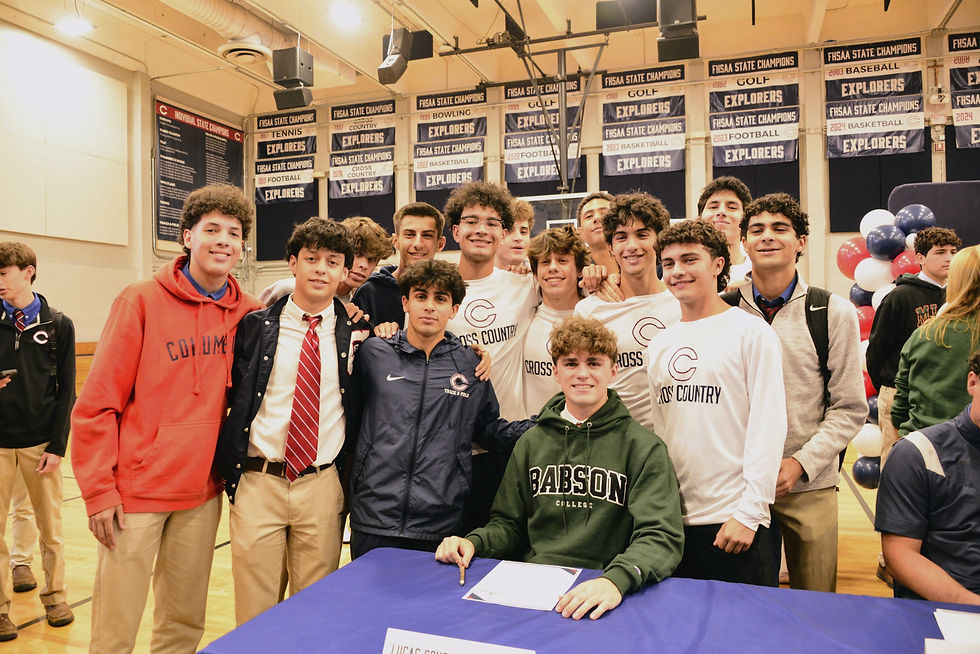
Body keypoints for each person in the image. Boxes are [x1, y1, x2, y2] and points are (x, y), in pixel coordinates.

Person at [71, 184, 263, 653]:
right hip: (135, 493)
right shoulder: (139, 300)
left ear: (242, 247)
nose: (223, 240)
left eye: (233, 233)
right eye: (211, 229)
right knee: (116, 629)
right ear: (186, 237)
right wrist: (98, 490)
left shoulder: (250, 313)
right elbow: (97, 404)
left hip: (201, 494)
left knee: (182, 623)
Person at [435, 317, 684, 621]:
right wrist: (473, 542)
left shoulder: (643, 447)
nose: (582, 374)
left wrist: (615, 580)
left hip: (604, 587)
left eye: (594, 363)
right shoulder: (532, 442)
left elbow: (660, 536)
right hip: (535, 585)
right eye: (570, 363)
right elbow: (509, 524)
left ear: (613, 371)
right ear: (555, 371)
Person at [216, 217, 372, 625]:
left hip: (321, 485)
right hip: (258, 481)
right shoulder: (254, 326)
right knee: (255, 610)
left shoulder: (359, 334)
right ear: (293, 263)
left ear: (343, 272)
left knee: (314, 611)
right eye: (312, 258)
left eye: (332, 261)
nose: (321, 268)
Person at [347, 259, 532, 558]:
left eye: (440, 299)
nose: (429, 306)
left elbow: (488, 430)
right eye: (421, 296)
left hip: (441, 520)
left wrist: (544, 424)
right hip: (374, 516)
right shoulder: (374, 352)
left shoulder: (470, 364)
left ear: (454, 309)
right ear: (405, 302)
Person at [730, 193, 867, 592]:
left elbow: (849, 407)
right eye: (756, 229)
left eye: (780, 229)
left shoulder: (831, 312)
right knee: (748, 599)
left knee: (815, 602)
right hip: (739, 485)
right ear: (744, 242)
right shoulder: (723, 309)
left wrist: (800, 464)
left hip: (810, 485)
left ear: (801, 241)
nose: (767, 237)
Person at [647, 220, 786, 587]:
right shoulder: (660, 344)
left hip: (734, 522)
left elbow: (768, 426)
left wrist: (750, 511)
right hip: (673, 523)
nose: (677, 271)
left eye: (689, 260)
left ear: (717, 265)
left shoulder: (752, 332)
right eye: (669, 263)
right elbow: (662, 432)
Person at [0, 241, 76, 640]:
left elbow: (67, 392)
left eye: (3, 273)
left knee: (51, 529)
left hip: (39, 444)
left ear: (28, 271)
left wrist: (57, 445)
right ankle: (0, 610)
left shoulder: (58, 324)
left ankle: (55, 596)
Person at [874, 351, 980, 604]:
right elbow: (900, 555)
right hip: (944, 613)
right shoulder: (917, 454)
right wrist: (973, 606)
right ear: (972, 382)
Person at [574, 192, 681, 432]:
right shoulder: (589, 310)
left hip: (677, 445)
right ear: (611, 247)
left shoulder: (683, 302)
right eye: (621, 237)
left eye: (642, 235)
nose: (632, 246)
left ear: (659, 240)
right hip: (613, 444)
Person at [866, 226, 960, 466]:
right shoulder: (899, 297)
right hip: (900, 393)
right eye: (940, 252)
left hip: (945, 393)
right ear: (920, 258)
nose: (949, 258)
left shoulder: (960, 296)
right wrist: (890, 388)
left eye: (952, 251)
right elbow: (876, 352)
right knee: (897, 462)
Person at [445, 181, 538, 421]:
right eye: (472, 221)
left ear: (503, 234)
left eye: (492, 223)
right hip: (452, 435)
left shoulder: (526, 287)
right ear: (456, 231)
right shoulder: (435, 292)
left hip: (509, 435)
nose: (481, 230)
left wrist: (599, 277)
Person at [892, 245, 980, 438]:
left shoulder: (924, 333)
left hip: (923, 443)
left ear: (955, 280)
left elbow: (900, 407)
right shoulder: (925, 330)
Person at [523, 227, 588, 416]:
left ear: (579, 271)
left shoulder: (595, 315)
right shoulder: (524, 317)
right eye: (545, 262)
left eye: (562, 260)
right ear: (535, 273)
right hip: (536, 435)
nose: (552, 267)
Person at [352, 202, 446, 327]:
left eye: (427, 235)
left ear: (440, 244)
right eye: (410, 234)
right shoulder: (370, 292)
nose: (418, 244)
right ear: (395, 241)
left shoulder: (447, 291)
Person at [697, 176, 752, 289]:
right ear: (699, 218)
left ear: (747, 221)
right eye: (713, 207)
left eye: (732, 207)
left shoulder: (757, 272)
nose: (721, 212)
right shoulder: (681, 268)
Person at [576, 191, 617, 273]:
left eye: (604, 213)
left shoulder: (641, 263)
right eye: (589, 216)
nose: (597, 218)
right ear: (580, 233)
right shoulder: (576, 273)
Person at [495, 199, 534, 269]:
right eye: (509, 231)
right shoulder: (475, 276)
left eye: (523, 232)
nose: (518, 238)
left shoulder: (538, 277)